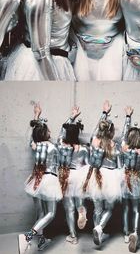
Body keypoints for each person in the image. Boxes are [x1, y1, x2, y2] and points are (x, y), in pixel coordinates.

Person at [18, 103, 62, 253]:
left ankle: (42, 240)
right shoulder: (52, 147)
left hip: (36, 179)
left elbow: (33, 136)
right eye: (48, 130)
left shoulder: (35, 144)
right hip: (49, 179)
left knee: (41, 213)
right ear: (44, 133)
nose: (50, 131)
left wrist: (36, 116)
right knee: (50, 213)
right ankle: (28, 236)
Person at [79, 100, 122, 247]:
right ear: (111, 132)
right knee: (109, 208)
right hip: (110, 177)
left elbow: (94, 129)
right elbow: (118, 163)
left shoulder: (94, 140)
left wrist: (104, 113)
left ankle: (97, 231)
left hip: (96, 175)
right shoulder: (113, 145)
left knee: (98, 208)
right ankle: (99, 228)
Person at [57, 106, 89, 245]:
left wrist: (72, 117)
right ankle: (82, 211)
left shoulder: (62, 146)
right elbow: (87, 164)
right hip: (79, 175)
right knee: (79, 203)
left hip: (67, 176)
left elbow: (60, 134)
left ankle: (73, 236)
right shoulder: (83, 149)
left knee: (69, 208)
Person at [120, 106, 140, 253]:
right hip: (137, 180)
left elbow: (124, 135)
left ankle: (125, 233)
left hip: (124, 179)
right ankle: (135, 232)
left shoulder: (124, 148)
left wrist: (128, 117)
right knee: (136, 209)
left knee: (125, 208)